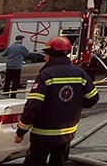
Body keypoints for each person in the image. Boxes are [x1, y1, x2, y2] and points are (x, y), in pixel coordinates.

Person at [14, 36, 98, 165]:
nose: (44, 58)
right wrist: (75, 104)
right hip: (67, 134)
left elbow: (33, 106)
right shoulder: (80, 73)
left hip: (42, 135)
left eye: (46, 54)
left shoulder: (46, 75)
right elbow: (93, 98)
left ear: (52, 55)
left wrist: (21, 131)